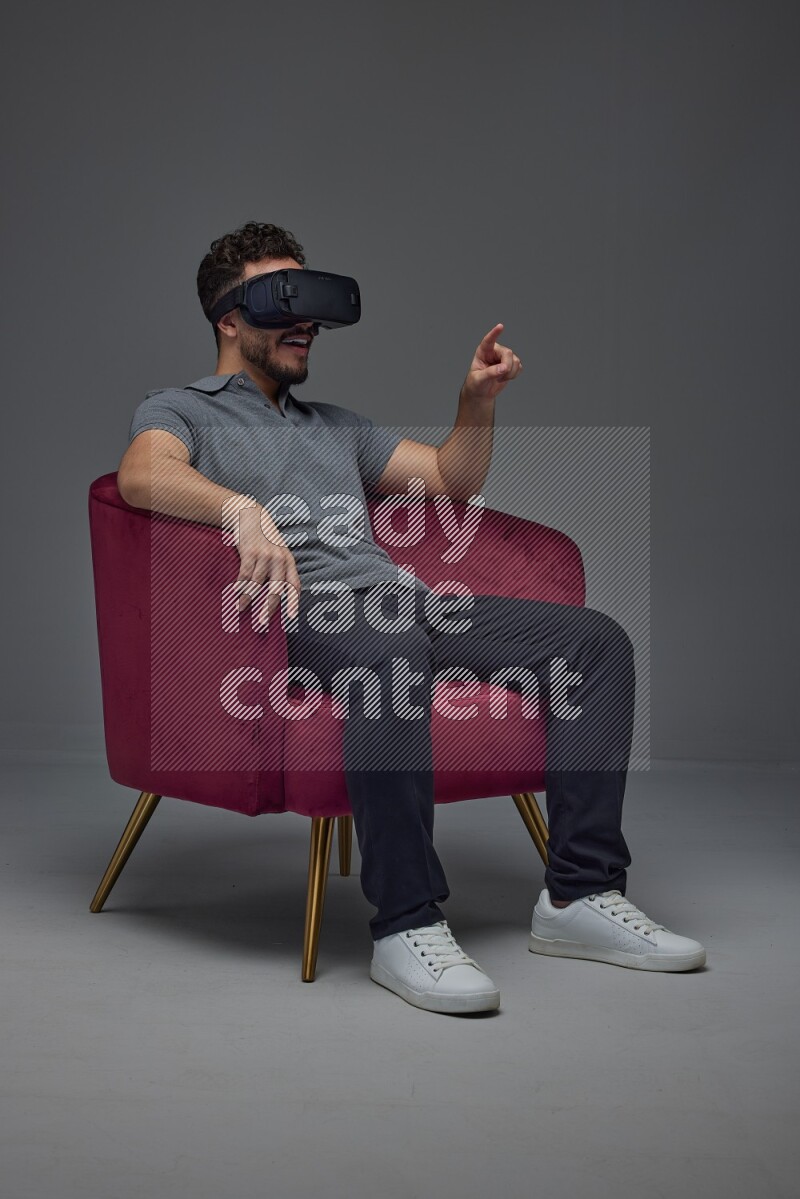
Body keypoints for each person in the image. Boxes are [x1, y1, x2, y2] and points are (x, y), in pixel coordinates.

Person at [117, 220, 706, 1015]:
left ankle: (579, 896)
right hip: (303, 617)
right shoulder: (182, 408)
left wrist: (475, 402)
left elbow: (448, 481)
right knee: (389, 651)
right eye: (283, 301)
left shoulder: (335, 424)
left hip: (406, 605)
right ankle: (406, 924)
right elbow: (141, 474)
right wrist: (240, 511)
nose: (307, 324)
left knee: (596, 645)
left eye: (312, 305)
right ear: (229, 318)